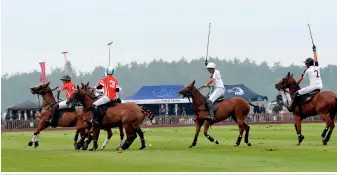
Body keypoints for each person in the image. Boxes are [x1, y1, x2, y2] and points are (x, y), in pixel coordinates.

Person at [288, 45, 323, 112]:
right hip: (320, 87)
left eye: (306, 64)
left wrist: (296, 83)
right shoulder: (317, 66)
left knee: (297, 93)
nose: (305, 65)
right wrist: (314, 51)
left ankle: (292, 107)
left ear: (308, 64)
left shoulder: (307, 70)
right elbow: (316, 59)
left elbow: (299, 80)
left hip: (313, 87)